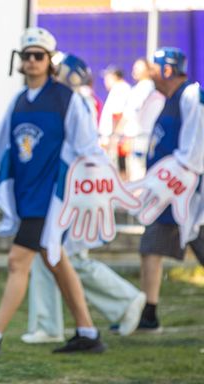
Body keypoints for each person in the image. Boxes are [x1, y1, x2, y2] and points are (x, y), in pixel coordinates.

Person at [0, 28, 110, 355]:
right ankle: (88, 333)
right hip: (26, 194)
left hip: (51, 196)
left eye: (38, 55)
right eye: (26, 56)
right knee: (56, 261)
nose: (32, 61)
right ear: (20, 62)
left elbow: (87, 146)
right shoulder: (19, 101)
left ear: (50, 60)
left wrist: (94, 185)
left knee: (17, 261)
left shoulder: (66, 98)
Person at [20, 53, 146, 344]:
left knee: (68, 257)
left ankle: (127, 300)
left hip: (74, 192)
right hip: (60, 190)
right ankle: (47, 325)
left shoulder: (75, 102)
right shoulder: (62, 101)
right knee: (47, 253)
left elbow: (84, 152)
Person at [128, 47, 204, 333]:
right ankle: (149, 313)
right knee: (150, 247)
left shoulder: (190, 96)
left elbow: (195, 147)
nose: (150, 73)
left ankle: (149, 314)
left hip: (186, 193)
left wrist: (176, 174)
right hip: (168, 192)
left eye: (155, 68)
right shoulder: (168, 99)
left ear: (167, 70)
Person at [117, 58, 165, 181]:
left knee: (137, 175)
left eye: (138, 68)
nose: (135, 70)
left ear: (148, 70)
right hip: (145, 136)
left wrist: (118, 133)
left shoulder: (144, 87)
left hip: (139, 137)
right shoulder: (153, 87)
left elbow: (131, 112)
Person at [99, 66, 132, 180]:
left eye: (107, 77)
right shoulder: (122, 88)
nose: (105, 81)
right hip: (117, 136)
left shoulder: (120, 89)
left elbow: (117, 115)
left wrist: (113, 138)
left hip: (116, 138)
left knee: (118, 174)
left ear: (113, 77)